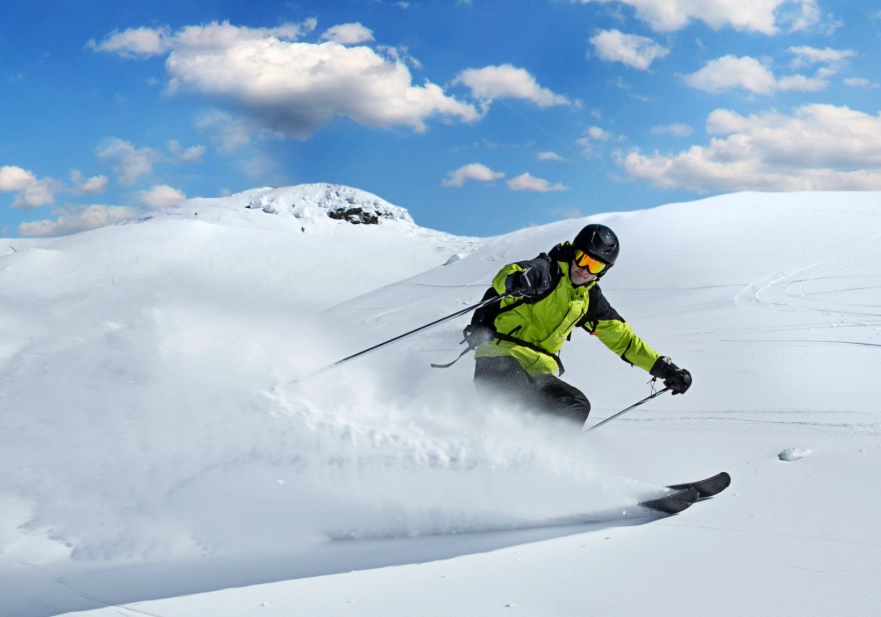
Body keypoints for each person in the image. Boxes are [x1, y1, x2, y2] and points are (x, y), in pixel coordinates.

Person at [472, 223, 691, 424]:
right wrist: (519, 281)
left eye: (594, 265)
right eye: (583, 258)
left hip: (539, 371)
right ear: (573, 252)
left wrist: (664, 369)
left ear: (603, 271)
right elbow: (505, 275)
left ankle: (545, 458)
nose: (584, 269)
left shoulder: (588, 299)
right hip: (499, 359)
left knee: (575, 404)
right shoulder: (546, 271)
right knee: (517, 399)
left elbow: (623, 339)